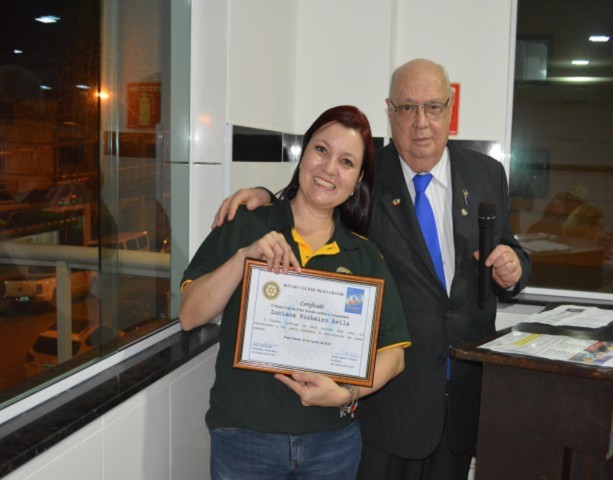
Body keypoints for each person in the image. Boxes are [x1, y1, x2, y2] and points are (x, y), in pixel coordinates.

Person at [213, 59, 531, 480]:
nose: (421, 122)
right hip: (389, 406)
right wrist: (265, 197)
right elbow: (315, 200)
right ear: (390, 111)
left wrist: (514, 269)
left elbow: (505, 247)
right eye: (407, 108)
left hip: (461, 398)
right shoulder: (365, 175)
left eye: (433, 107)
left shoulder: (487, 173)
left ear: (450, 108)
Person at [180, 105, 411, 480]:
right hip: (244, 440)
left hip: (332, 445)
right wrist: (243, 257)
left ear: (358, 180)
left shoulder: (363, 255)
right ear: (303, 154)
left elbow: (394, 354)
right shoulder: (247, 222)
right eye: (321, 150)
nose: (329, 168)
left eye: (347, 162)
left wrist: (346, 394)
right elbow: (190, 315)